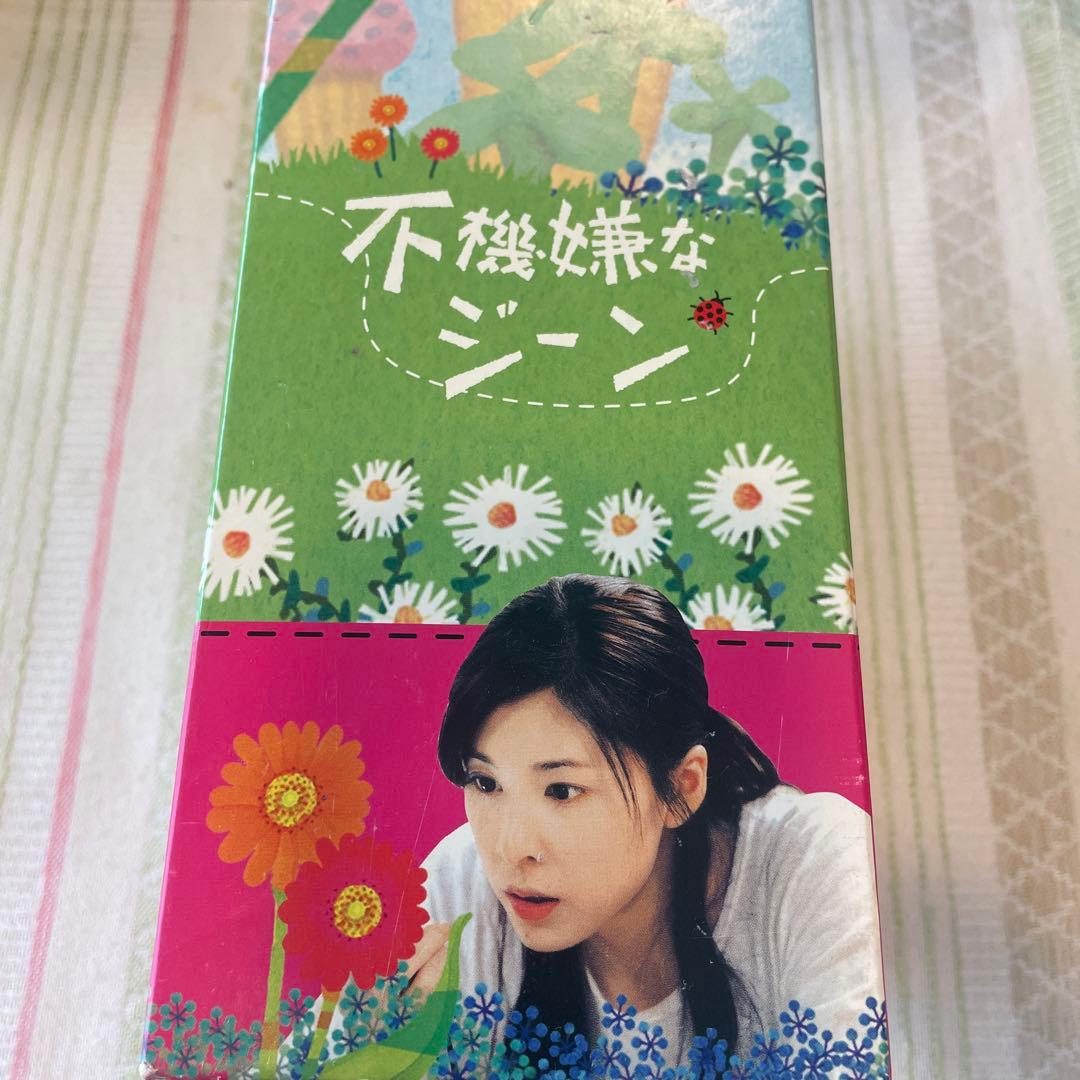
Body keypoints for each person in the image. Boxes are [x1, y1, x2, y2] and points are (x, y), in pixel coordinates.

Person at [407, 574, 885, 1070]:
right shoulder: (458, 893)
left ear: (682, 788)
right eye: (485, 783)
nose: (512, 849)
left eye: (562, 790)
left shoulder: (816, 864)